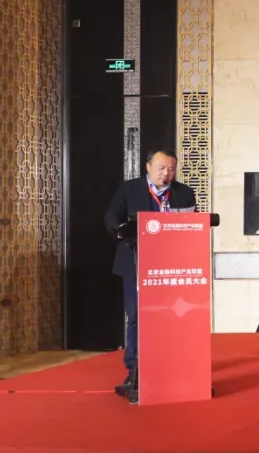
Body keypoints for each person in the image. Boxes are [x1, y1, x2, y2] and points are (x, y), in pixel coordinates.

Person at [103, 150, 197, 402]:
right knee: (136, 316)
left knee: (171, 315)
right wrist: (121, 230)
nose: (166, 173)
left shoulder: (184, 193)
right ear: (148, 166)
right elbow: (111, 216)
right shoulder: (129, 189)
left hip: (171, 265)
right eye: (161, 168)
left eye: (171, 169)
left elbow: (192, 224)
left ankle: (172, 365)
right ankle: (134, 368)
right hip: (135, 261)